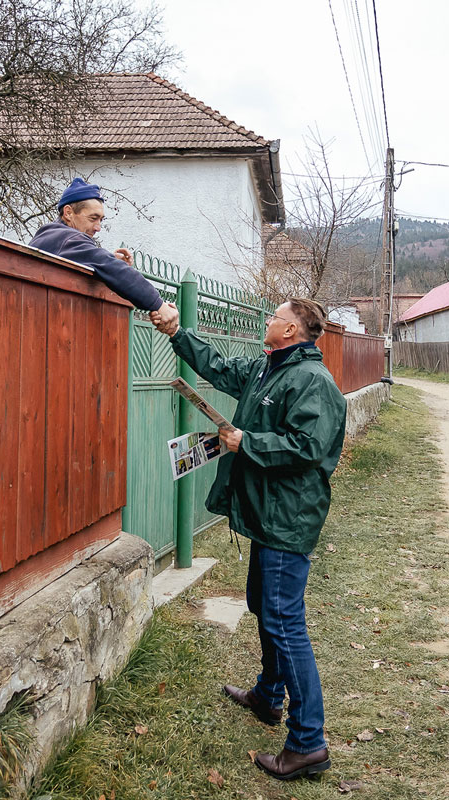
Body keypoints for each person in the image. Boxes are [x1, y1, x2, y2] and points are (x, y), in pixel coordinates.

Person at [153, 298, 346, 781]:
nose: (268, 322)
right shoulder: (268, 369)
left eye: (275, 318)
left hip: (288, 518)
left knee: (285, 622)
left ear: (293, 331)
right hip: (268, 514)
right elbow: (218, 365)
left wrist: (248, 442)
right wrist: (176, 332)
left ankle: (308, 743)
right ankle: (268, 695)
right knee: (264, 606)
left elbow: (309, 449)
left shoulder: (313, 383)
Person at [29, 178, 179, 330]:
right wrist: (159, 305)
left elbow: (93, 259)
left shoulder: (55, 236)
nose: (98, 227)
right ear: (68, 213)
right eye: (93, 218)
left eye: (101, 220)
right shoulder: (67, 238)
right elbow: (113, 269)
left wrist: (106, 259)